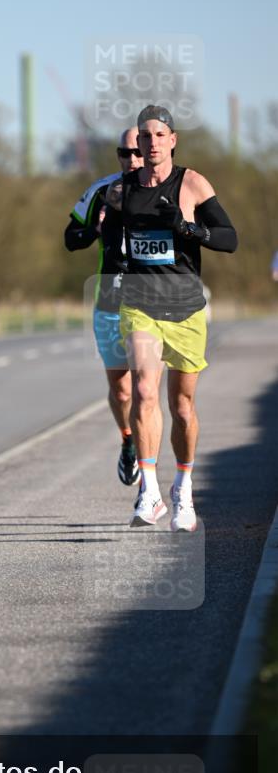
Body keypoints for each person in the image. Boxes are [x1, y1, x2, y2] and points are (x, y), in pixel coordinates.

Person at [105, 105, 237, 530]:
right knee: (144, 389)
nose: (152, 143)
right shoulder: (120, 192)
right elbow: (110, 246)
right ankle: (150, 491)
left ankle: (183, 487)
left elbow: (229, 239)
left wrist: (188, 230)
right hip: (140, 304)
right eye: (145, 136)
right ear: (138, 144)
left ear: (173, 140)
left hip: (185, 309)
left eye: (160, 135)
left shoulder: (193, 184)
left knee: (182, 406)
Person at [64, 128, 144, 486]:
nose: (132, 160)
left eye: (137, 152)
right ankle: (128, 438)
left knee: (147, 386)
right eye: (124, 153)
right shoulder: (102, 191)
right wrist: (94, 231)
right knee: (123, 390)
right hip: (110, 299)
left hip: (152, 300)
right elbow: (70, 238)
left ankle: (151, 466)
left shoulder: (171, 188)